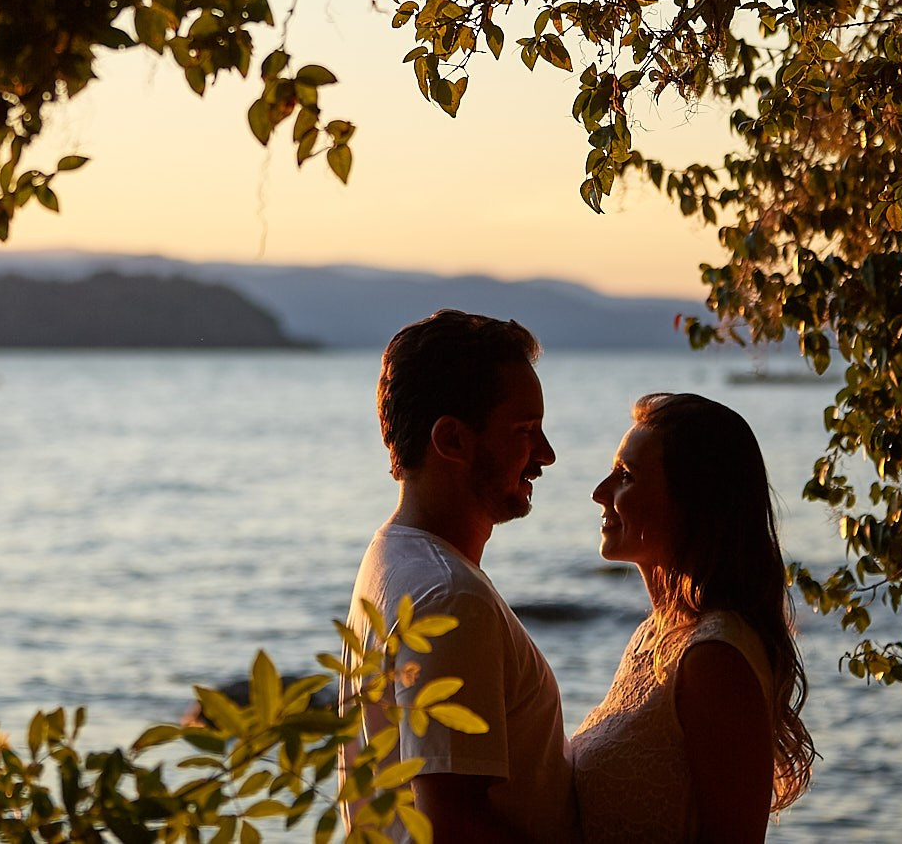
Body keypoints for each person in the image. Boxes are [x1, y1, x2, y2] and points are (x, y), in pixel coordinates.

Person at [346, 310, 577, 844]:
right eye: (525, 431)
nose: (546, 455)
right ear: (451, 439)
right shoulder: (450, 597)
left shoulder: (390, 558)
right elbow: (452, 828)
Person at [570, 393, 817, 843]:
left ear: (692, 503)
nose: (599, 492)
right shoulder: (655, 634)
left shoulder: (715, 657)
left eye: (625, 476)